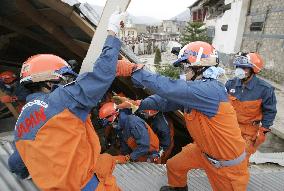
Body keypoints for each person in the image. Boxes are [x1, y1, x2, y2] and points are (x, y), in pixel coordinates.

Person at [8, 11, 126, 190]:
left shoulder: (20, 125)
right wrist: (112, 32)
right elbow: (101, 75)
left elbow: (15, 164)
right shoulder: (62, 99)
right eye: (65, 80)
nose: (69, 84)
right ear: (49, 82)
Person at [115, 41, 249, 191]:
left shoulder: (210, 90)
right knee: (174, 166)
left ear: (199, 67)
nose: (183, 71)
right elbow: (165, 101)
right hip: (203, 151)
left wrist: (135, 71)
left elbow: (169, 88)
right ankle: (179, 188)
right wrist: (137, 104)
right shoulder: (196, 91)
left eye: (185, 66)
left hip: (227, 165)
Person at [225, 52, 277, 160]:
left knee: (240, 161)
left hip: (248, 133)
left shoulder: (265, 89)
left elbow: (270, 111)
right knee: (224, 159)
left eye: (244, 67)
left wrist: (263, 130)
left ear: (253, 70)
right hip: (229, 128)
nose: (239, 70)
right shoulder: (230, 84)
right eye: (238, 67)